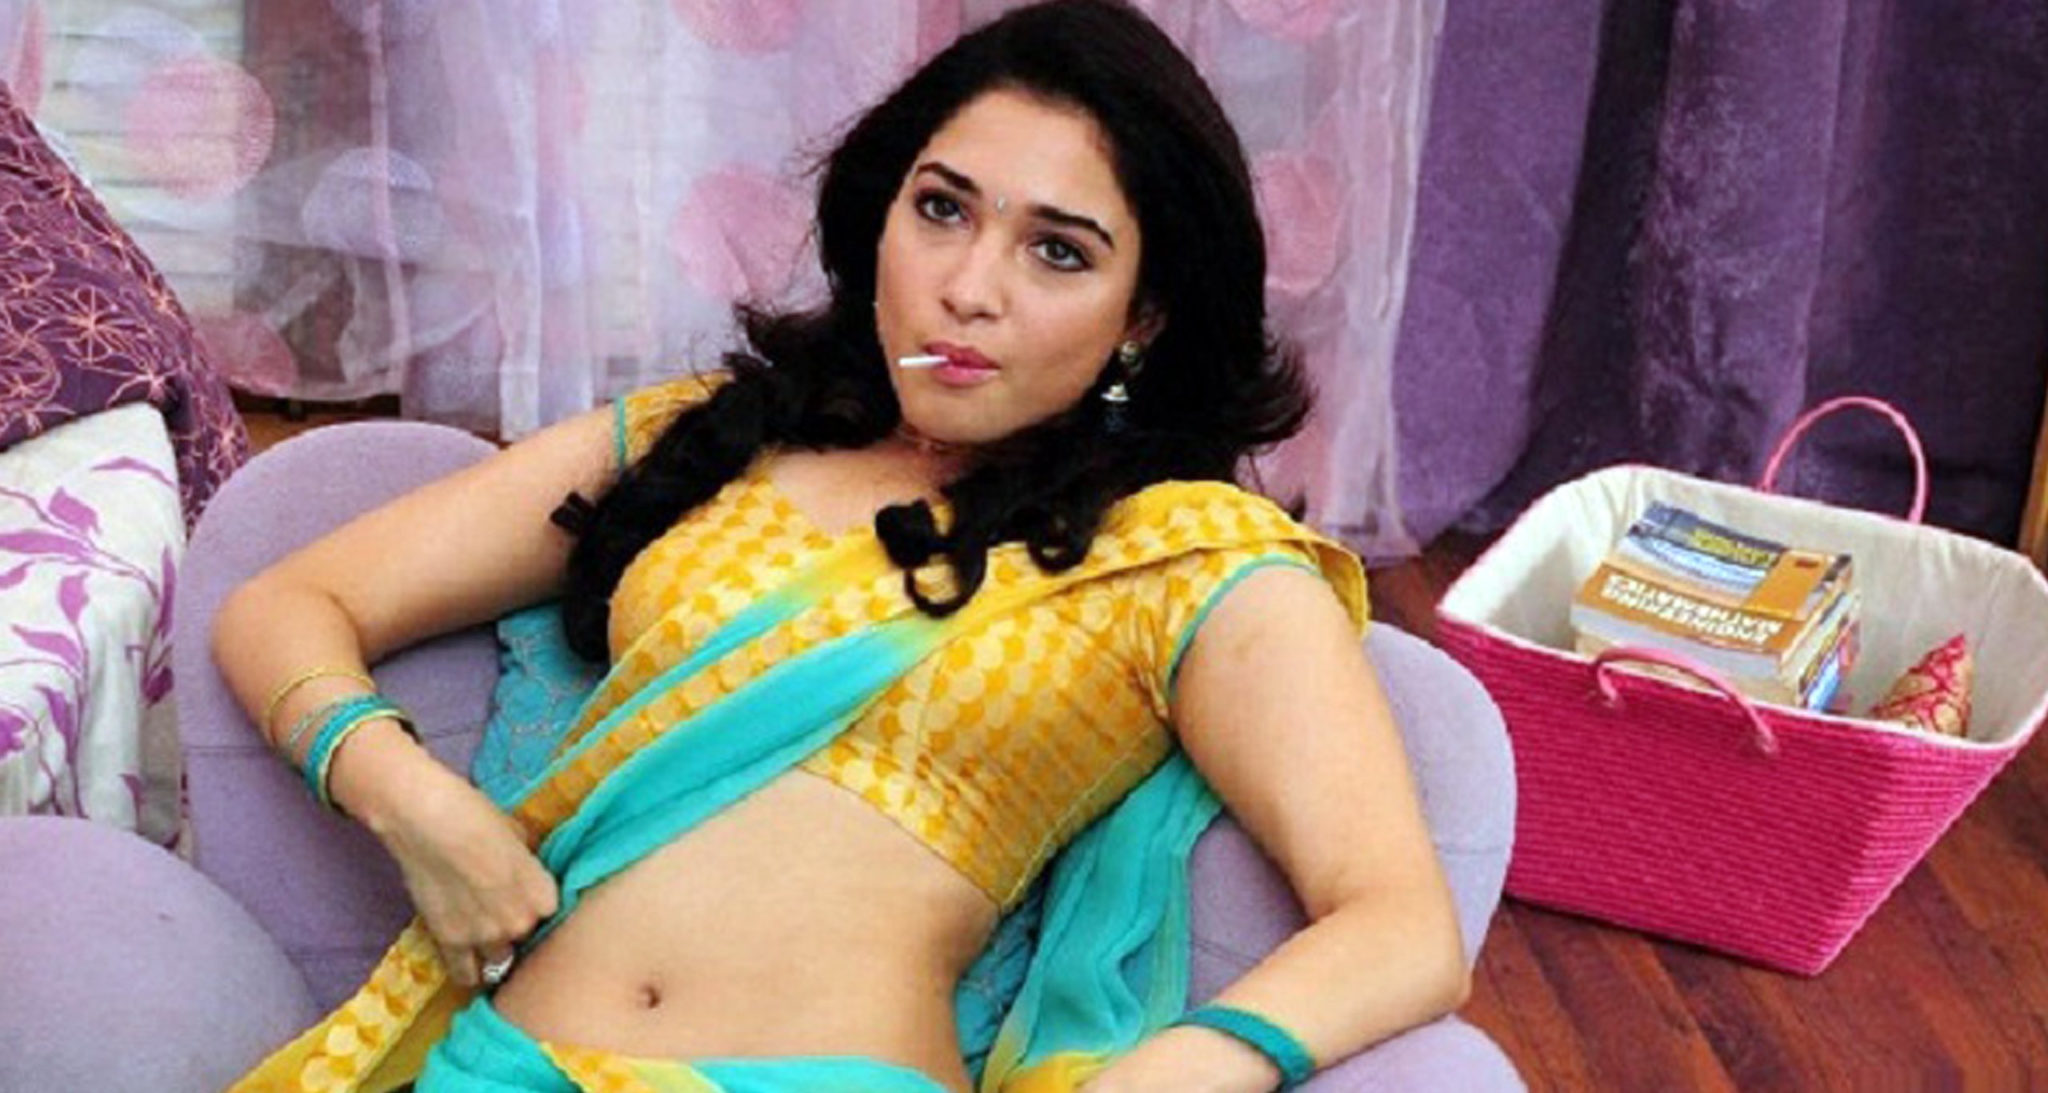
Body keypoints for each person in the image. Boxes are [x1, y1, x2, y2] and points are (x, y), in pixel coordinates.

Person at [214, 2, 1468, 1089]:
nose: (968, 287)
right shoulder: (706, 441)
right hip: (507, 1065)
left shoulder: (1177, 557)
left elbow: (1399, 922)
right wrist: (415, 804)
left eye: (1056, 251)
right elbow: (288, 602)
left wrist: (1177, 1070)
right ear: (881, 216)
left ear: (1140, 317)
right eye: (941, 210)